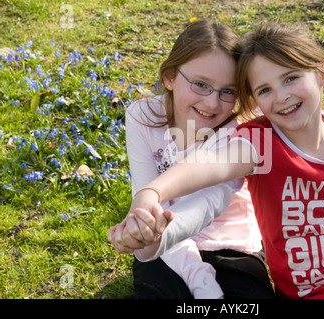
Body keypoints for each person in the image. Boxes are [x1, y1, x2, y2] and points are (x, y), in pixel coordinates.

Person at [126, 23, 324, 299]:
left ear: (321, 74)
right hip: (307, 291)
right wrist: (152, 193)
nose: (280, 97)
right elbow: (212, 164)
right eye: (265, 89)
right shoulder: (258, 140)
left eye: (291, 78)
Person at [107, 20, 275, 299]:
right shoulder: (143, 117)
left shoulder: (242, 127)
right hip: (165, 246)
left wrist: (159, 233)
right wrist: (196, 275)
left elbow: (211, 200)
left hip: (231, 244)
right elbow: (148, 202)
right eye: (200, 84)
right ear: (170, 77)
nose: (211, 103)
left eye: (228, 91)